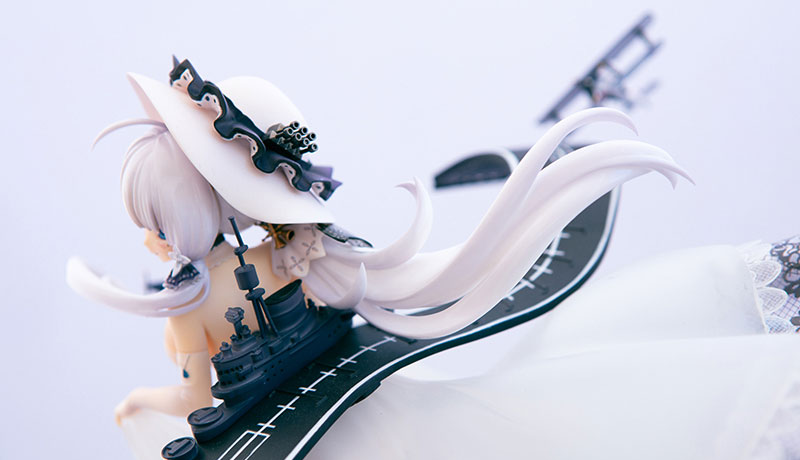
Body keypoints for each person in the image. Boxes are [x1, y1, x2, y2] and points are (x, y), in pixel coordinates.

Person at [67, 59, 688, 422]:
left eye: (156, 224)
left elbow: (194, 397)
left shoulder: (195, 304)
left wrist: (139, 401)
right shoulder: (292, 252)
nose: (152, 240)